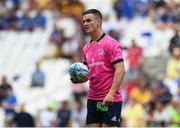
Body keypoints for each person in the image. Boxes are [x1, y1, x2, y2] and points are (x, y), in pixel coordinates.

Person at [70, 9, 125, 127]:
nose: (85, 23)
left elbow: (120, 70)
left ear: (98, 22)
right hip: (92, 98)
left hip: (109, 99)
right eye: (84, 21)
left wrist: (111, 93)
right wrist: (79, 79)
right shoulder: (86, 48)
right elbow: (89, 74)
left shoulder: (111, 43)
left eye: (89, 20)